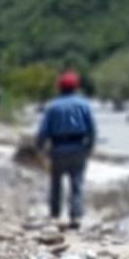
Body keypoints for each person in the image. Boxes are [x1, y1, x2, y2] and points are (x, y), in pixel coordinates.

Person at [37, 71, 96, 230]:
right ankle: (75, 217)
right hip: (78, 147)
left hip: (57, 148)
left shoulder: (52, 106)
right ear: (75, 87)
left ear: (60, 87)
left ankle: (55, 215)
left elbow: (43, 131)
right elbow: (92, 129)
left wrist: (40, 148)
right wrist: (90, 147)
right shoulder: (83, 105)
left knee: (56, 183)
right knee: (77, 183)